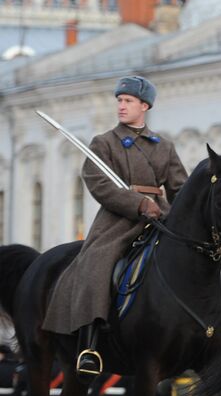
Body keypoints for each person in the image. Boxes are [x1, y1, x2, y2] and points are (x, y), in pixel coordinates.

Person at [43, 76, 188, 375]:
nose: (121, 106)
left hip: (159, 218)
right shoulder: (104, 143)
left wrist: (179, 214)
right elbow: (98, 184)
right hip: (117, 221)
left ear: (144, 106)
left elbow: (179, 188)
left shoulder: (164, 147)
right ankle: (90, 343)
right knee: (97, 263)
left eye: (128, 101)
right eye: (119, 100)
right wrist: (137, 203)